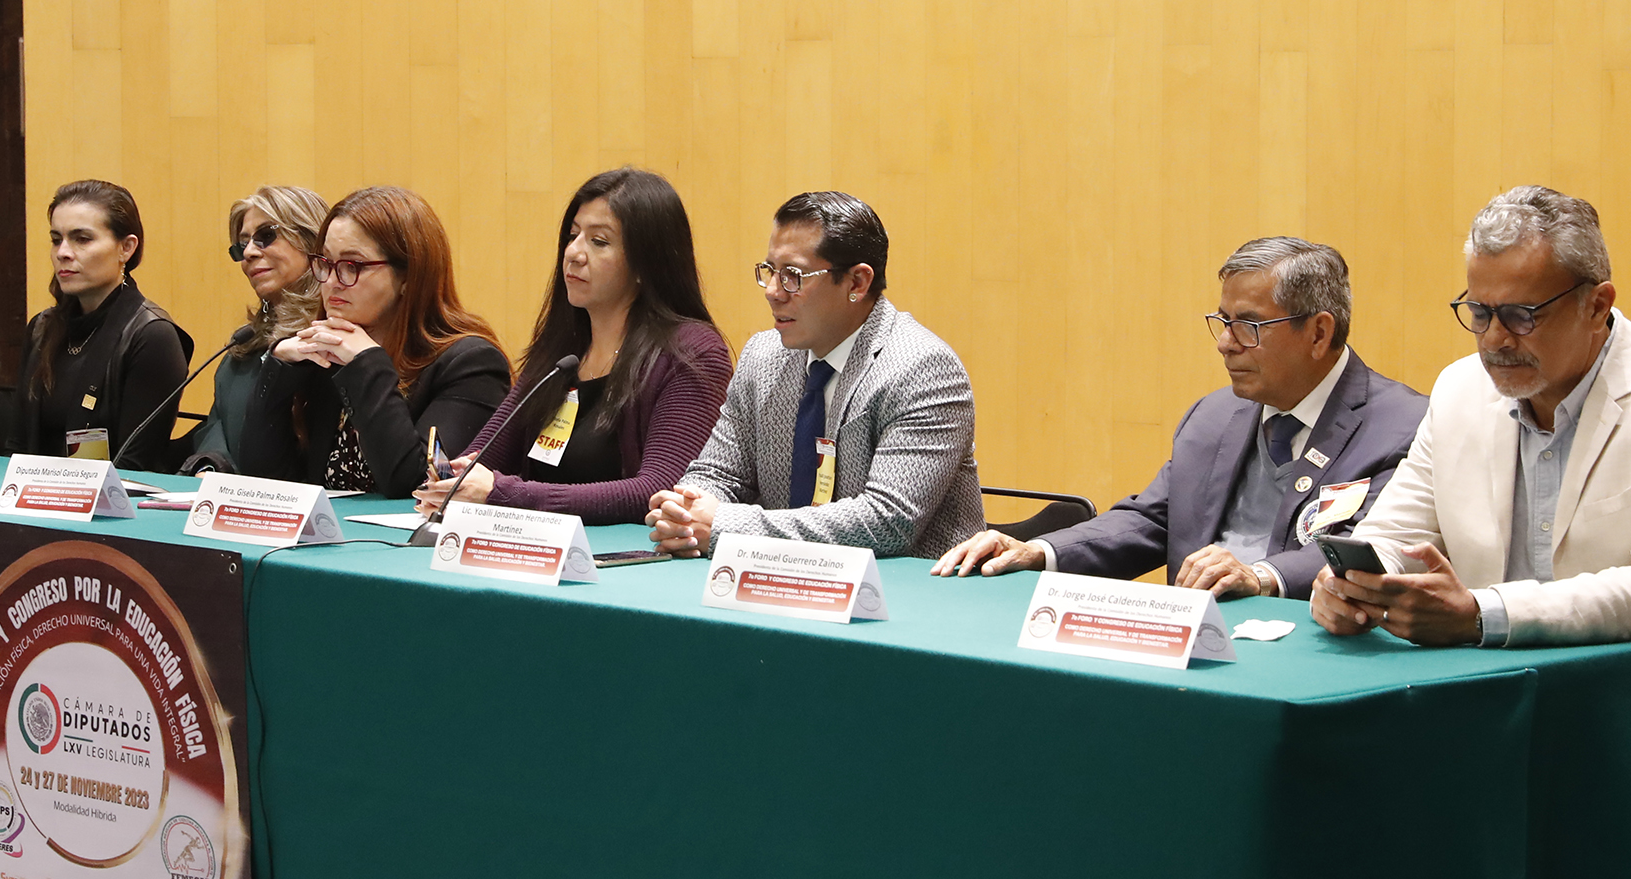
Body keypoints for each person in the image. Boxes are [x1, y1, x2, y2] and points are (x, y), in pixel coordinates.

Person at [1313, 187, 1631, 859]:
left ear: (1596, 304)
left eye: (1521, 315)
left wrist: (1478, 614)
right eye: (1478, 312)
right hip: (1504, 711)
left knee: (1508, 843)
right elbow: (1394, 536)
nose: (1494, 339)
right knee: (1350, 807)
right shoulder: (1460, 390)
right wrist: (1353, 585)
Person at [933, 237, 1427, 598]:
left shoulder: (1403, 427)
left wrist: (1260, 577)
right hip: (1197, 648)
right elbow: (1151, 520)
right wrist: (1038, 551)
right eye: (1223, 321)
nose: (1225, 343)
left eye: (1249, 325)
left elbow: (1371, 546)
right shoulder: (1214, 416)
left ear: (1318, 333)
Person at [646, 190, 982, 559]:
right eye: (770, 271)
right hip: (781, 579)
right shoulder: (762, 357)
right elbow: (717, 474)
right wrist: (685, 511)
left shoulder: (921, 368)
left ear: (857, 283)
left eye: (793, 276)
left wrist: (726, 526)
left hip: (909, 586)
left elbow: (888, 522)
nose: (773, 292)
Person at [415, 167, 731, 524]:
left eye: (599, 241)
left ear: (647, 263)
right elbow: (482, 460)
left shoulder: (691, 353)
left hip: (628, 554)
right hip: (538, 546)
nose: (574, 252)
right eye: (572, 235)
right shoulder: (564, 353)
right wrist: (455, 481)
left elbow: (658, 490)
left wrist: (502, 493)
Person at [239, 185, 510, 496]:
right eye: (325, 263)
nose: (331, 282)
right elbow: (264, 481)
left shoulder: (471, 365)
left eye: (352, 266)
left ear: (408, 276)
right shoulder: (328, 356)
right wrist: (279, 367)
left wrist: (367, 364)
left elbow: (418, 484)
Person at [1, 180, 193, 473]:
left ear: (126, 248)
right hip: (32, 491)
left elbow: (133, 466)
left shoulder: (152, 335)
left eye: (82, 239)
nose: (63, 252)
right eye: (56, 239)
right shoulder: (42, 328)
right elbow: (16, 444)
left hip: (111, 497)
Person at [178, 185, 332, 474]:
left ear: (311, 240)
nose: (248, 252)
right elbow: (217, 427)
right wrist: (208, 466)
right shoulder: (243, 347)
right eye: (241, 245)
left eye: (266, 236)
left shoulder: (332, 338)